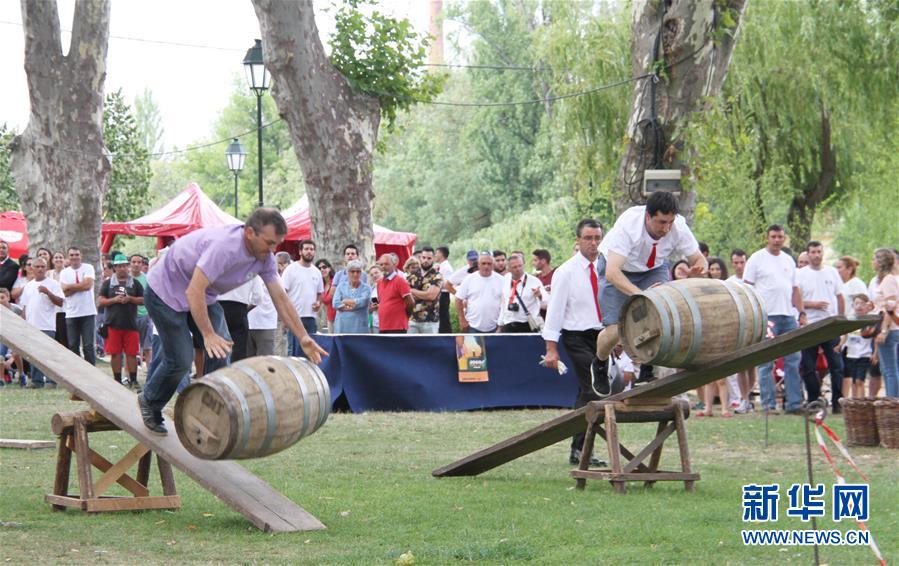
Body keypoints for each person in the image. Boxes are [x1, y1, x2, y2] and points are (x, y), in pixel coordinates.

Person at [138, 209, 327, 434]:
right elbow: (193, 290)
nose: (273, 250)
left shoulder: (264, 258)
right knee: (181, 358)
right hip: (164, 293)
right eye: (268, 243)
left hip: (201, 296)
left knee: (222, 349)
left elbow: (281, 298)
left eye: (277, 244)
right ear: (249, 233)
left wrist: (303, 336)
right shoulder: (225, 248)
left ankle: (209, 409)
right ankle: (150, 401)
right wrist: (207, 334)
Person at [593, 191, 707, 396]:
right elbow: (612, 273)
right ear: (648, 216)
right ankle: (600, 362)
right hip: (618, 268)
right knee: (617, 330)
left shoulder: (678, 227)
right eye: (661, 222)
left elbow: (700, 260)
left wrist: (697, 270)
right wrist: (642, 296)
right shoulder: (629, 225)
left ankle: (647, 369)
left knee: (662, 316)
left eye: (670, 222)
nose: (666, 228)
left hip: (653, 268)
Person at [541, 219, 606, 466]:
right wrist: (551, 348)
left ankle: (579, 449)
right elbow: (555, 311)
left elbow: (610, 302)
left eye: (597, 238)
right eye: (588, 238)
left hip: (601, 336)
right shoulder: (566, 271)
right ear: (577, 241)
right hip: (576, 335)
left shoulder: (605, 267)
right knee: (594, 388)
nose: (593, 243)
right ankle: (582, 448)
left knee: (588, 391)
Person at [743, 225, 805, 414]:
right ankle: (769, 405)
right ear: (767, 238)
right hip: (767, 316)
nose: (777, 240)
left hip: (788, 316)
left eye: (780, 237)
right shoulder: (757, 258)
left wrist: (801, 312)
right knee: (766, 361)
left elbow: (794, 289)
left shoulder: (788, 260)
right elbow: (747, 287)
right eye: (773, 236)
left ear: (784, 238)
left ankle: (794, 404)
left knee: (794, 359)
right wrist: (753, 314)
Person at [796, 240, 845, 411]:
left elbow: (840, 297)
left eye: (819, 251)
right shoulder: (801, 274)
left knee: (836, 366)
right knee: (809, 366)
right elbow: (795, 300)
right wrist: (812, 305)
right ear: (808, 254)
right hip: (810, 325)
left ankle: (838, 402)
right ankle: (814, 400)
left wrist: (841, 322)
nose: (816, 255)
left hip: (830, 324)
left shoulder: (832, 272)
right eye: (813, 252)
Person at [97, 254, 144, 388]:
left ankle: (133, 380)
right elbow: (100, 301)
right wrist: (114, 300)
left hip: (131, 324)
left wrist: (130, 299)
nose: (122, 268)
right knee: (115, 354)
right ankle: (117, 380)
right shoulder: (108, 283)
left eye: (124, 266)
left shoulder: (135, 283)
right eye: (119, 266)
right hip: (113, 324)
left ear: (127, 267)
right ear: (115, 267)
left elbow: (144, 300)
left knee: (132, 354)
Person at [19, 258, 64, 388]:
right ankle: (36, 381)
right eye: (37, 266)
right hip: (31, 325)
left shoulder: (53, 284)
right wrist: (23, 324)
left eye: (42, 266)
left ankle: (51, 381)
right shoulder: (28, 285)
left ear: (46, 268)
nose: (40, 269)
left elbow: (60, 302)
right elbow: (25, 307)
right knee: (34, 355)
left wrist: (47, 292)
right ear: (32, 268)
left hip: (47, 326)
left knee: (48, 355)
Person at [697, 258, 733, 417]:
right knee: (708, 376)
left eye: (718, 269)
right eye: (712, 269)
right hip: (709, 333)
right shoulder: (705, 288)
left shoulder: (729, 287)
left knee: (722, 377)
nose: (715, 272)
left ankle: (725, 408)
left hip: (724, 333)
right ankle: (708, 408)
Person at [281, 239, 324, 351]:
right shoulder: (290, 269)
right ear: (300, 252)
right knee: (293, 349)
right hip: (294, 317)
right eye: (306, 249)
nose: (309, 251)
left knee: (310, 349)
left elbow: (320, 292)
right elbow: (282, 293)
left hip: (310, 317)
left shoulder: (316, 272)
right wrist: (285, 318)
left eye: (311, 249)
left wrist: (318, 302)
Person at [727, 249, 756, 413]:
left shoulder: (751, 280)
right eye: (736, 263)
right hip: (739, 326)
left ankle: (749, 396)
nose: (739, 266)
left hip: (754, 324)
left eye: (742, 262)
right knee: (741, 365)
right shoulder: (729, 282)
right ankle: (743, 398)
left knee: (752, 365)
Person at [59, 246, 98, 365]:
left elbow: (88, 286)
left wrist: (70, 286)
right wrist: (80, 285)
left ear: (81, 256)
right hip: (71, 313)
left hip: (88, 312)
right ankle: (76, 371)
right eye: (71, 255)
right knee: (72, 345)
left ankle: (91, 372)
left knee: (88, 345)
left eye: (76, 254)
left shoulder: (88, 268)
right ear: (68, 257)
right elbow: (65, 292)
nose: (74, 257)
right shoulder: (64, 272)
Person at [836, 294, 877, 399]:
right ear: (852, 305)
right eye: (856, 303)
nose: (859, 306)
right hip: (851, 354)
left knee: (860, 380)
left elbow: (875, 338)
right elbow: (846, 335)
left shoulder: (870, 320)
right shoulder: (850, 320)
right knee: (854, 381)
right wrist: (840, 345)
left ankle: (861, 403)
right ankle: (855, 402)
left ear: (867, 306)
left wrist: (875, 353)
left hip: (864, 354)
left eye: (862, 304)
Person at [870, 248, 898, 397]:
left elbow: (890, 307)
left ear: (881, 262)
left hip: (890, 329)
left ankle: (893, 401)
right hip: (888, 328)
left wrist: (884, 330)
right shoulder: (885, 280)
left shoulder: (888, 280)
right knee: (889, 368)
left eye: (874, 259)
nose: (872, 262)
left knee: (890, 369)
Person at [455, 252, 504, 334]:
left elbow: (505, 304)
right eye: (483, 263)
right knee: (472, 348)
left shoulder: (502, 280)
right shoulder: (469, 279)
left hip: (495, 327)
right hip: (472, 327)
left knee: (493, 347)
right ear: (478, 264)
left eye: (489, 264)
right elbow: (458, 299)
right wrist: (462, 320)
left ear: (493, 265)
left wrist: (501, 325)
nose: (486, 266)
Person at [497, 254, 546, 333]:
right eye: (514, 267)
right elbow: (504, 304)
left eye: (520, 266)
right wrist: (500, 325)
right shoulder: (506, 279)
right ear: (508, 268)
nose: (518, 269)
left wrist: (540, 295)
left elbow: (546, 301)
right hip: (508, 325)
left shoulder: (534, 281)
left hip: (528, 325)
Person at [217, 278, 257, 363]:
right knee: (239, 352)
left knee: (218, 351)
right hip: (239, 310)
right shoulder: (252, 268)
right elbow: (258, 297)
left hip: (218, 308)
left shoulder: (218, 265)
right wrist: (245, 310)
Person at [408, 247, 443, 334]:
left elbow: (431, 296)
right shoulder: (413, 274)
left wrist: (412, 290)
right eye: (423, 257)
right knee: (410, 347)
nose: (425, 260)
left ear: (433, 259)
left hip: (430, 321)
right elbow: (406, 294)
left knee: (429, 347)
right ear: (420, 258)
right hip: (413, 319)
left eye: (429, 258)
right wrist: (424, 294)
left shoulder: (437, 276)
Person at [376, 254, 414, 334]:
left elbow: (410, 302)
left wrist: (405, 316)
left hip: (397, 326)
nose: (383, 266)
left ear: (394, 265)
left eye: (386, 264)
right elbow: (382, 302)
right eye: (381, 264)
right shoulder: (379, 282)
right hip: (383, 326)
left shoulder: (400, 281)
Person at [332, 260, 372, 333]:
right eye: (352, 271)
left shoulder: (366, 288)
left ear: (361, 273)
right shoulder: (341, 286)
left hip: (360, 328)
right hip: (342, 327)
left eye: (358, 271)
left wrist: (345, 301)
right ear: (347, 273)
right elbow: (335, 303)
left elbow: (364, 301)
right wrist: (355, 305)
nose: (355, 274)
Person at [130, 254, 153, 368]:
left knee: (148, 347)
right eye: (134, 262)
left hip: (145, 316)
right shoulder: (125, 278)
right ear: (130, 263)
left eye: (139, 262)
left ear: (143, 264)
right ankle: (130, 375)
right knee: (131, 349)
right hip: (129, 317)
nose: (136, 264)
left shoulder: (147, 278)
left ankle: (150, 372)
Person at [247, 276, 278, 357]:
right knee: (245, 363)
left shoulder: (272, 275)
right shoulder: (244, 271)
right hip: (246, 324)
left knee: (265, 363)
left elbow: (281, 298)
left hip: (266, 325)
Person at [435, 246, 454, 334]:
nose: (435, 255)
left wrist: (436, 281)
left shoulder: (447, 268)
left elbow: (447, 284)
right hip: (438, 294)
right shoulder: (441, 266)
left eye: (436, 253)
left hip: (443, 295)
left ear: (441, 254)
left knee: (444, 317)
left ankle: (447, 335)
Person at [316, 259, 336, 334]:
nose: (322, 269)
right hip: (329, 318)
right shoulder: (321, 285)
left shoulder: (334, 282)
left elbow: (327, 299)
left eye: (324, 267)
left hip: (338, 318)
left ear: (329, 268)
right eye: (319, 268)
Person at [368, 264, 383, 333]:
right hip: (375, 323)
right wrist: (371, 308)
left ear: (382, 272)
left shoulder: (388, 285)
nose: (374, 275)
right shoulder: (373, 288)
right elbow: (375, 304)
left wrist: (375, 306)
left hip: (387, 323)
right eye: (372, 274)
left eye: (376, 272)